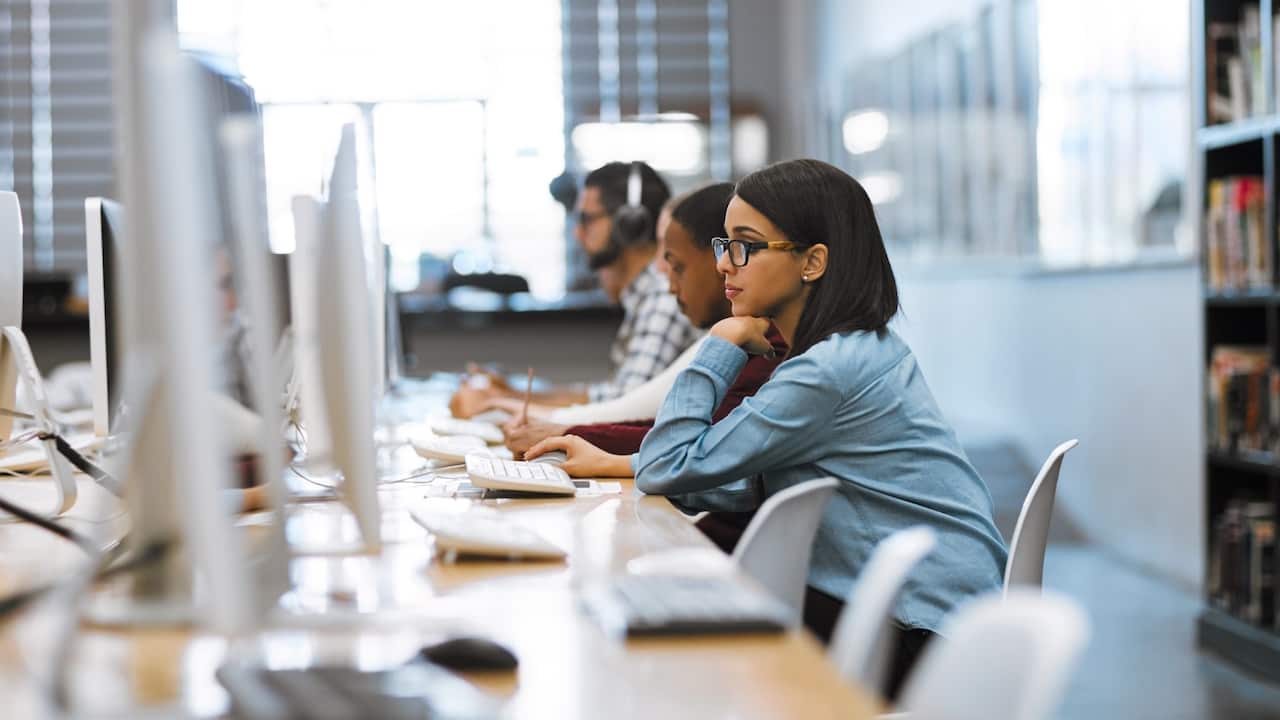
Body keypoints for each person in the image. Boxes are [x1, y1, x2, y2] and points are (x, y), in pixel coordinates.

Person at [527, 159, 1008, 700]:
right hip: (936, 606)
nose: (725, 265)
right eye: (724, 244)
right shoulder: (850, 349)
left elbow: (670, 466)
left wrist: (721, 344)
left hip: (919, 628)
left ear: (812, 262)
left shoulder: (825, 371)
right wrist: (624, 464)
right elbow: (756, 476)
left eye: (746, 246)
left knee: (661, 646)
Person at [502, 182, 785, 461]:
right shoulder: (749, 335)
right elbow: (679, 439)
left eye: (744, 247)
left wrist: (567, 434)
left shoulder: (768, 346)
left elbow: (690, 450)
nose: (723, 264)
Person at [450, 162, 698, 416]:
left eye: (586, 219)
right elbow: (611, 395)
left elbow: (623, 409)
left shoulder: (663, 298)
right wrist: (512, 394)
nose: (577, 233)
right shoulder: (644, 297)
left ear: (629, 224)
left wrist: (502, 401)